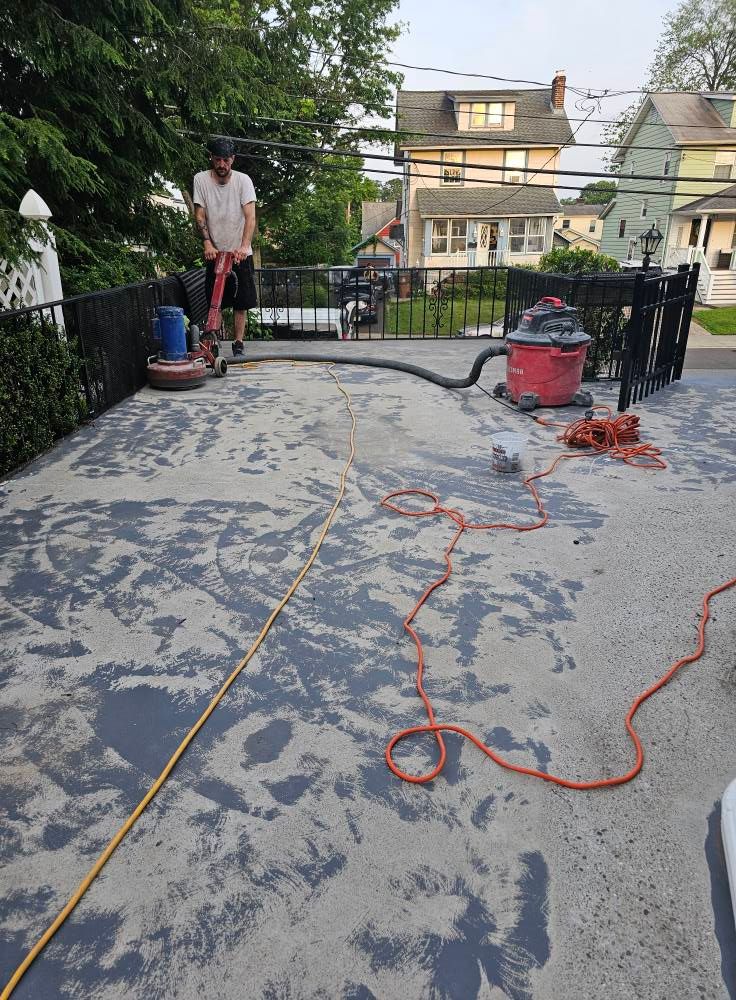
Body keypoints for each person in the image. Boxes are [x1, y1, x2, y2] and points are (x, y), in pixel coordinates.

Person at [192, 138, 257, 357]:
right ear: (211, 158)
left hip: (239, 254)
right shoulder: (200, 180)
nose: (222, 164)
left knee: (241, 303)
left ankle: (238, 343)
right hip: (215, 252)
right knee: (215, 302)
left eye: (226, 160)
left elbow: (250, 217)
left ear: (233, 160)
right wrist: (207, 243)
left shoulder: (243, 181)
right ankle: (213, 343)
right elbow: (200, 215)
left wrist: (244, 246)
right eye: (217, 159)